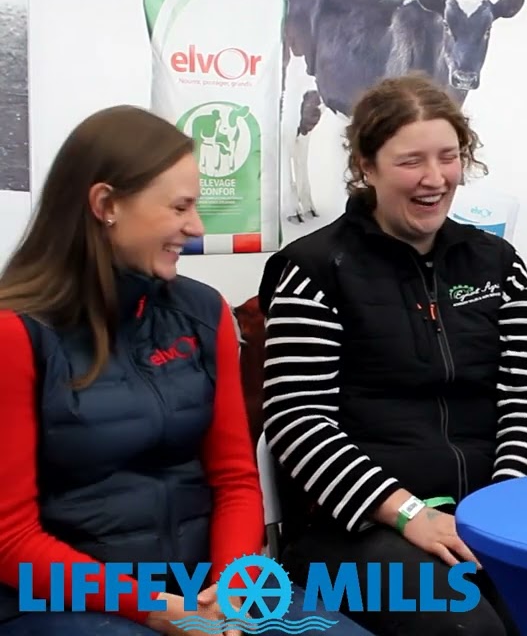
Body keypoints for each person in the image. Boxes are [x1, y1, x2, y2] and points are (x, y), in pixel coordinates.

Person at [0, 106, 369, 635]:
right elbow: (10, 539)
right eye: (180, 207)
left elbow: (235, 479)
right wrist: (156, 609)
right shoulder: (16, 334)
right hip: (64, 600)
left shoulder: (204, 312)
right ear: (106, 205)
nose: (196, 228)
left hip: (204, 588)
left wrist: (233, 589)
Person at [256, 73, 527, 636]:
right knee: (470, 630)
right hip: (351, 533)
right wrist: (410, 514)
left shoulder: (498, 264)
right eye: (410, 161)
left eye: (448, 157)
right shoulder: (313, 270)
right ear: (366, 167)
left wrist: (501, 515)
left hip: (480, 519)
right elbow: (297, 422)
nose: (434, 178)